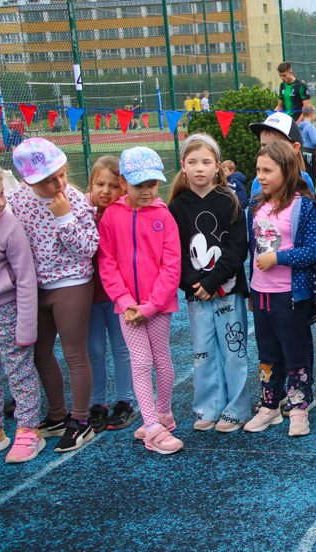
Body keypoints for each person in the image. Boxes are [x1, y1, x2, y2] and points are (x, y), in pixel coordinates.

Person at [8, 138, 100, 453]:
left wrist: (65, 217)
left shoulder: (72, 198)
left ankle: (80, 421)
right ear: (28, 180)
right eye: (49, 180)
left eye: (61, 174)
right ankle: (58, 415)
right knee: (39, 352)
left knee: (74, 353)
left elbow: (88, 248)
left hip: (71, 282)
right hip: (34, 286)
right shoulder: (18, 200)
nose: (59, 183)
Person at [98, 147, 183, 454]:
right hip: (127, 308)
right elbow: (107, 263)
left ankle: (162, 412)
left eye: (152, 184)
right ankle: (151, 426)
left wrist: (149, 306)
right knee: (142, 361)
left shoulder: (164, 216)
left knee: (162, 359)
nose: (147, 191)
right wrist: (125, 301)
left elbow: (171, 267)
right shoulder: (111, 217)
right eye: (139, 185)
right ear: (123, 183)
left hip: (158, 307)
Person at [168, 134, 250, 433]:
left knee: (234, 348)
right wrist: (194, 285)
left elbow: (237, 248)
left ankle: (237, 408)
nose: (199, 168)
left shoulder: (230, 201)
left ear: (218, 167)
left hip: (228, 290)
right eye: (192, 162)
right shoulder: (176, 207)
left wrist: (214, 280)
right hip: (197, 295)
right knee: (203, 351)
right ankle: (208, 406)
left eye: (205, 162)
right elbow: (174, 253)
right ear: (183, 167)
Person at [244, 141, 316, 436]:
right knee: (267, 352)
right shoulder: (256, 205)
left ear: (288, 170)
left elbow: (315, 250)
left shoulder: (303, 206)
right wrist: (251, 286)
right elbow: (254, 250)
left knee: (295, 352)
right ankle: (270, 405)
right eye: (258, 170)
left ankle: (299, 407)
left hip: (289, 296)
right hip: (260, 292)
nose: (261, 176)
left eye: (268, 170)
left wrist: (279, 257)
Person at [0, 164, 45, 463]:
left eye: (0, 195)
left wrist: (26, 325)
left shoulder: (10, 227)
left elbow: (25, 277)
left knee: (19, 371)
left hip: (6, 309)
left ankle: (28, 429)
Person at [85, 156, 136, 434]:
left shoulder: (124, 215)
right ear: (90, 185)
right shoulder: (82, 215)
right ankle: (97, 404)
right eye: (99, 184)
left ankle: (124, 402)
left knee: (121, 350)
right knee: (93, 351)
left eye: (113, 185)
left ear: (123, 188)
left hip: (119, 298)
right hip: (89, 297)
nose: (105, 191)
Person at [248, 112, 316, 195]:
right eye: (264, 145)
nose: (268, 151)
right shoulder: (258, 181)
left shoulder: (303, 180)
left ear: (295, 147)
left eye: (276, 145)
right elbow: (254, 206)